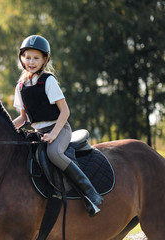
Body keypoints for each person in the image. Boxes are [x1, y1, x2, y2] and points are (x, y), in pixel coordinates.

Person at [12, 35, 103, 216]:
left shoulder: (48, 81)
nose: (31, 62)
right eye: (28, 57)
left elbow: (65, 112)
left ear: (45, 59)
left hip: (59, 129)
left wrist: (54, 134)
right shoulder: (20, 86)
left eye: (36, 58)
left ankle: (91, 194)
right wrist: (6, 129)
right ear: (22, 59)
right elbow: (23, 118)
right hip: (39, 133)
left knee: (54, 153)